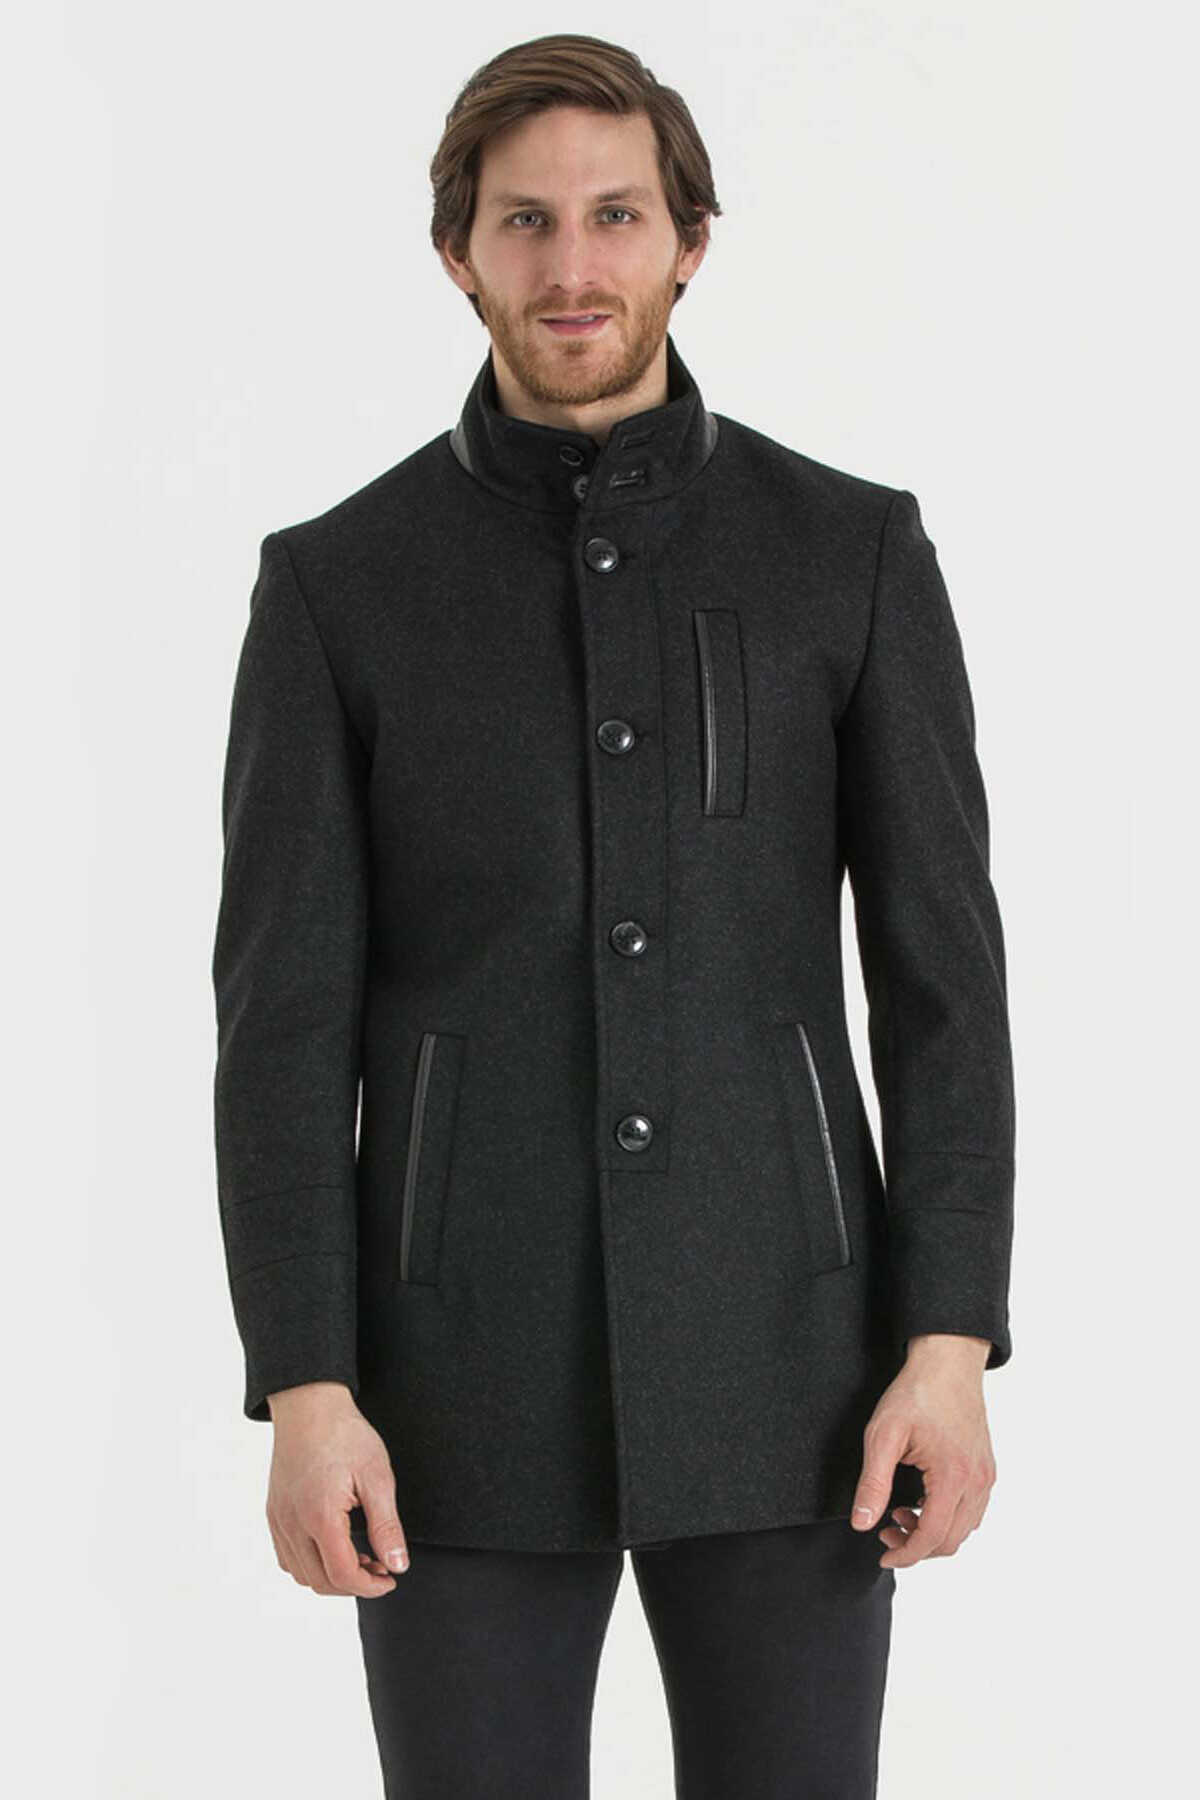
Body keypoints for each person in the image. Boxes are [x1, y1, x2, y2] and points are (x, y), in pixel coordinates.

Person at [211, 32, 1016, 1799]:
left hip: (801, 1370)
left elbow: (945, 987)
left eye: (616, 215)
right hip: (450, 1388)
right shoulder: (339, 587)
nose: (571, 265)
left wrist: (948, 1344)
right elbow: (281, 1029)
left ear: (689, 239)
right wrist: (307, 1385)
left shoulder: (848, 552)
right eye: (525, 221)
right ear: (458, 252)